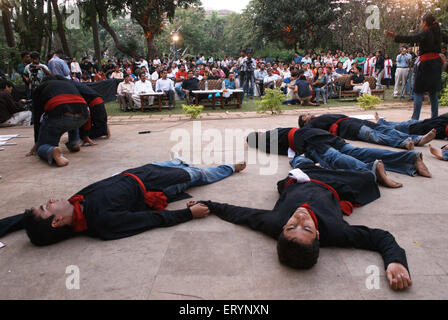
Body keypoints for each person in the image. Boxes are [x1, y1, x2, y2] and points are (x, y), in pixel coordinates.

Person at [198, 158, 412, 291]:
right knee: (367, 179)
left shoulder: (272, 223)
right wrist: (395, 261)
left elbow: (238, 213)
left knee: (302, 159)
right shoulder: (337, 233)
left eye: (292, 226)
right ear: (318, 234)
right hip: (332, 184)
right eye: (307, 228)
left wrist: (206, 204)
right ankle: (363, 165)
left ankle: (307, 156)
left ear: (282, 229)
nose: (300, 218)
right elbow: (380, 237)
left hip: (301, 176)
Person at [0, 158, 247, 245]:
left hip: (141, 171)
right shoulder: (101, 221)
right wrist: (187, 215)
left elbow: (22, 221)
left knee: (178, 162)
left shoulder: (75, 204)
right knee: (198, 175)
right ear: (56, 222)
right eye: (46, 207)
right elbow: (150, 220)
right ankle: (228, 168)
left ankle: (185, 163)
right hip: (156, 184)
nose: (50, 200)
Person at [247, 127, 432, 180]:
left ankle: (371, 170)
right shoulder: (279, 131)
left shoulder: (267, 139)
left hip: (308, 141)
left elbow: (291, 153)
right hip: (322, 135)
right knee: (358, 151)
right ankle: (410, 158)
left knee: (332, 158)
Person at [386, 13, 448, 120]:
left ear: (425, 23)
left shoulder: (426, 33)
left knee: (418, 91)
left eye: (421, 22)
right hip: (436, 64)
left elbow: (412, 38)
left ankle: (415, 119)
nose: (420, 24)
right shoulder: (438, 33)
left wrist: (396, 36)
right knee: (432, 93)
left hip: (427, 64)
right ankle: (435, 119)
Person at [27, 76, 89, 167]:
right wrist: (85, 135)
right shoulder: (69, 84)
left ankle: (51, 151)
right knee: (72, 112)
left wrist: (37, 141)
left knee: (42, 147)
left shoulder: (41, 88)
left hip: (61, 116)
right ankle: (74, 142)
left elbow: (37, 116)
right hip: (83, 117)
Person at [299, 113, 436, 150]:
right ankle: (403, 143)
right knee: (375, 136)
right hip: (349, 128)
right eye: (304, 116)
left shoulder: (319, 117)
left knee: (383, 128)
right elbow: (301, 132)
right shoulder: (311, 125)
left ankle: (418, 139)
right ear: (304, 122)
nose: (308, 114)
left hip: (353, 120)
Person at [375, 111, 448, 140]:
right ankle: (383, 122)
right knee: (409, 123)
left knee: (406, 127)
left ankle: (381, 125)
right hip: (440, 121)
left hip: (439, 126)